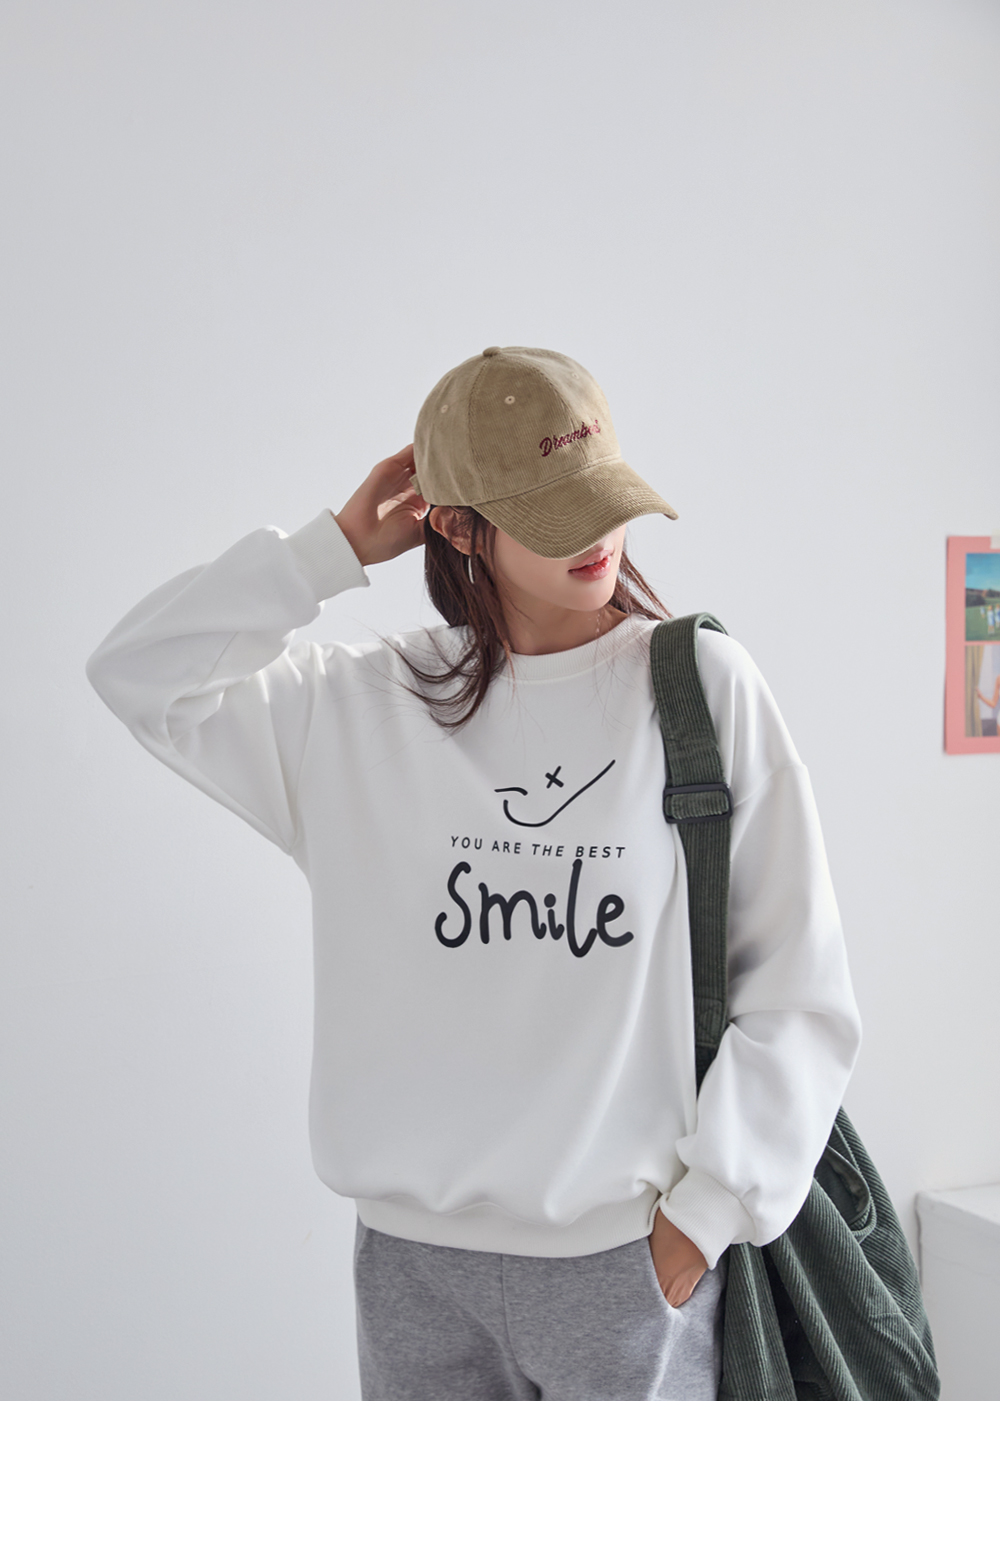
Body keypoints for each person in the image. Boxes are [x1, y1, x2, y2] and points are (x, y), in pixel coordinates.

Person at [86, 345, 862, 1401]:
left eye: (602, 498)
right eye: (552, 511)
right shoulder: (363, 707)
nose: (595, 535)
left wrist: (702, 1220)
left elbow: (799, 986)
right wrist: (325, 553)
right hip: (413, 1271)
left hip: (625, 1268)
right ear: (455, 527)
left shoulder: (695, 687)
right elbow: (139, 675)